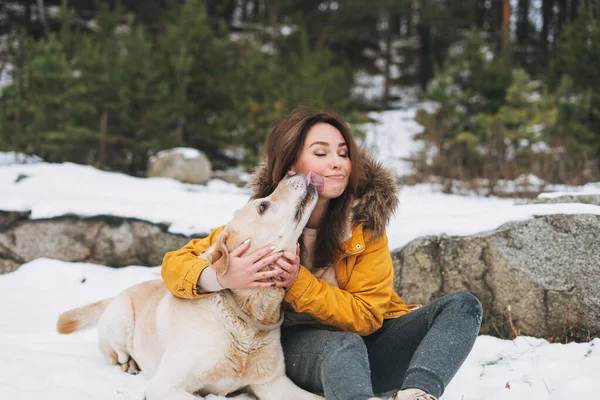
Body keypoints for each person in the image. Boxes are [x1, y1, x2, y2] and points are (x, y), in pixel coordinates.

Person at [161, 110, 483, 400]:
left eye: (343, 154)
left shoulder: (365, 228)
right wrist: (220, 276)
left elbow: (368, 316)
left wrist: (298, 282)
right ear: (291, 166)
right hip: (305, 350)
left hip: (372, 347)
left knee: (463, 306)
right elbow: (175, 265)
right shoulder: (263, 221)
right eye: (321, 153)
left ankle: (417, 394)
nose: (337, 163)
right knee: (344, 345)